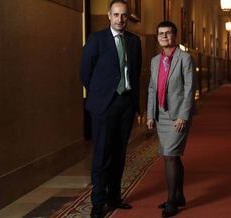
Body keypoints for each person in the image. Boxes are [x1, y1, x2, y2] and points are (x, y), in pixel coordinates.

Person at [80, 0, 141, 217]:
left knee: (119, 153)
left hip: (126, 104)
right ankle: (98, 202)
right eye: (116, 15)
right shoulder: (96, 39)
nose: (120, 19)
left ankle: (115, 197)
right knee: (102, 155)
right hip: (104, 106)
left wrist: (135, 104)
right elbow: (85, 73)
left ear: (128, 16)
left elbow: (136, 73)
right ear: (109, 16)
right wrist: (100, 96)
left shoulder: (134, 42)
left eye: (124, 15)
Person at [146, 21, 194, 217]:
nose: (164, 37)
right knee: (171, 156)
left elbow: (190, 89)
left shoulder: (185, 58)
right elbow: (151, 88)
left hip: (177, 115)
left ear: (175, 36)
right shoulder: (155, 61)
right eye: (160, 34)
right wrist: (150, 114)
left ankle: (171, 201)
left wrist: (184, 115)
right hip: (161, 115)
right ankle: (179, 195)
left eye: (168, 33)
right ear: (157, 38)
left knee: (170, 156)